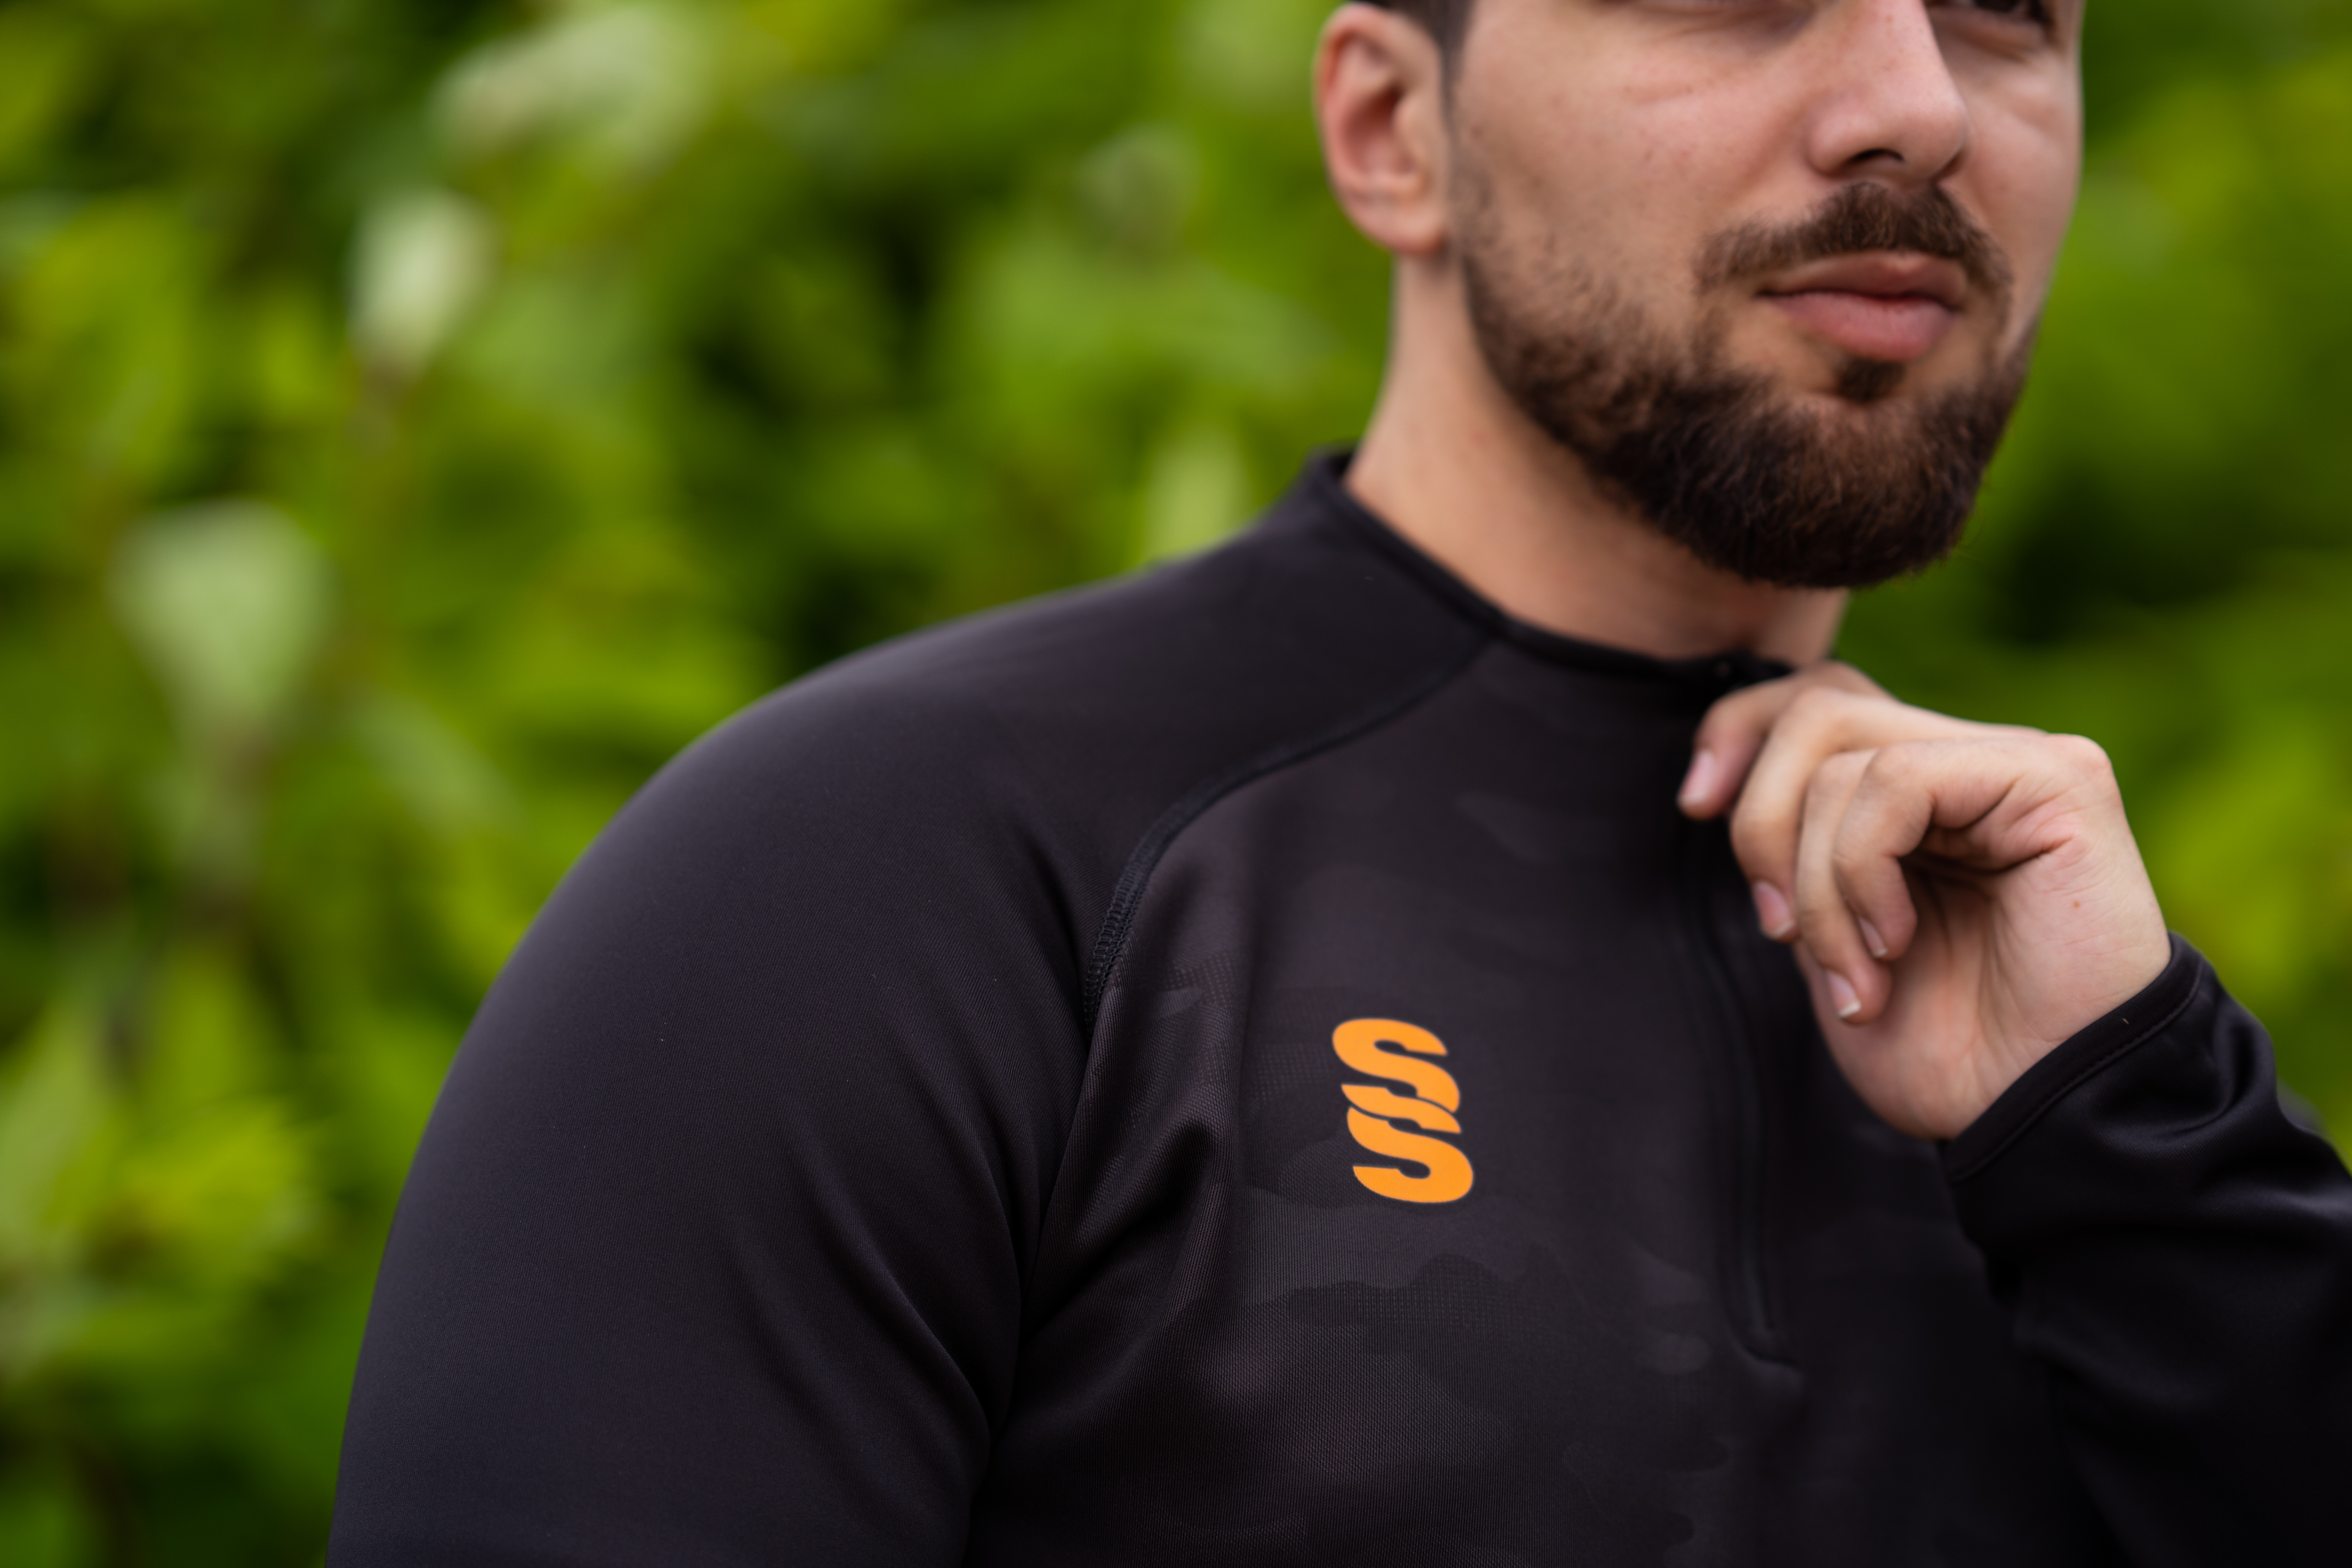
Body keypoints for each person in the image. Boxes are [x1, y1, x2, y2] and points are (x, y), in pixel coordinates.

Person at [328, 2, 2352, 1563]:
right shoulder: (882, 877)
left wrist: (2147, 1141)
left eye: (2009, 12)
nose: (1916, 101)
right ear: (1394, 128)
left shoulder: (2072, 1046)